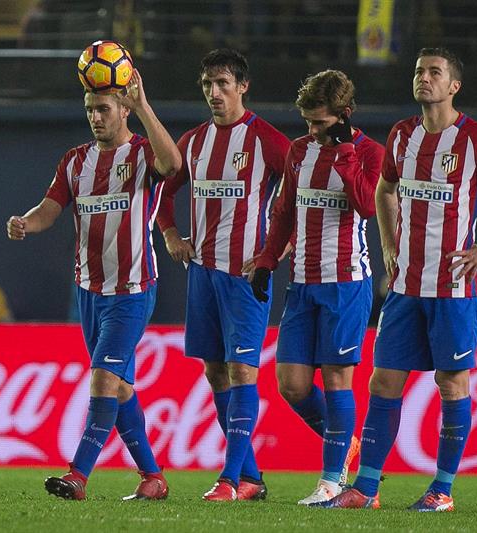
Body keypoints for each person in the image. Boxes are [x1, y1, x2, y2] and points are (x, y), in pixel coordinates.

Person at [318, 47, 477, 511]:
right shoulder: (401, 135)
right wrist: (389, 245)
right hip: (405, 288)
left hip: (455, 289)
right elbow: (384, 189)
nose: (424, 79)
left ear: (453, 85)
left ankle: (442, 490)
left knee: (451, 384)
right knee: (383, 382)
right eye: (419, 71)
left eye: (434, 73)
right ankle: (367, 488)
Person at [6, 69, 181, 501]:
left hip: (132, 289)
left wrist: (143, 105)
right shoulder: (74, 161)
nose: (96, 118)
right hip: (89, 291)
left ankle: (77, 476)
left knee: (103, 380)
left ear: (123, 109)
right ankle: (153, 477)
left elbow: (174, 164)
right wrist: (27, 222)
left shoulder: (142, 154)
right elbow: (51, 207)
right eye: (90, 110)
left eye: (103, 109)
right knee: (119, 387)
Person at [156, 48, 290, 501]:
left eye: (223, 84)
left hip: (245, 275)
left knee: (242, 371)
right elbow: (163, 195)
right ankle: (249, 477)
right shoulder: (193, 142)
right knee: (216, 372)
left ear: (243, 86)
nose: (214, 93)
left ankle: (230, 480)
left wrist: (276, 251)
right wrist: (172, 235)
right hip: (204, 273)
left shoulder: (267, 140)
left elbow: (299, 200)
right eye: (207, 85)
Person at [247, 70, 384, 505]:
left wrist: (344, 154)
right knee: (292, 384)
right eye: (307, 122)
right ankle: (348, 447)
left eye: (320, 123)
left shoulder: (370, 153)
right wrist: (268, 260)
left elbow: (367, 205)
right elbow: (285, 210)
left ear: (344, 116)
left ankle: (332, 479)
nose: (311, 131)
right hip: (302, 283)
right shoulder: (299, 151)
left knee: (338, 380)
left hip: (346, 282)